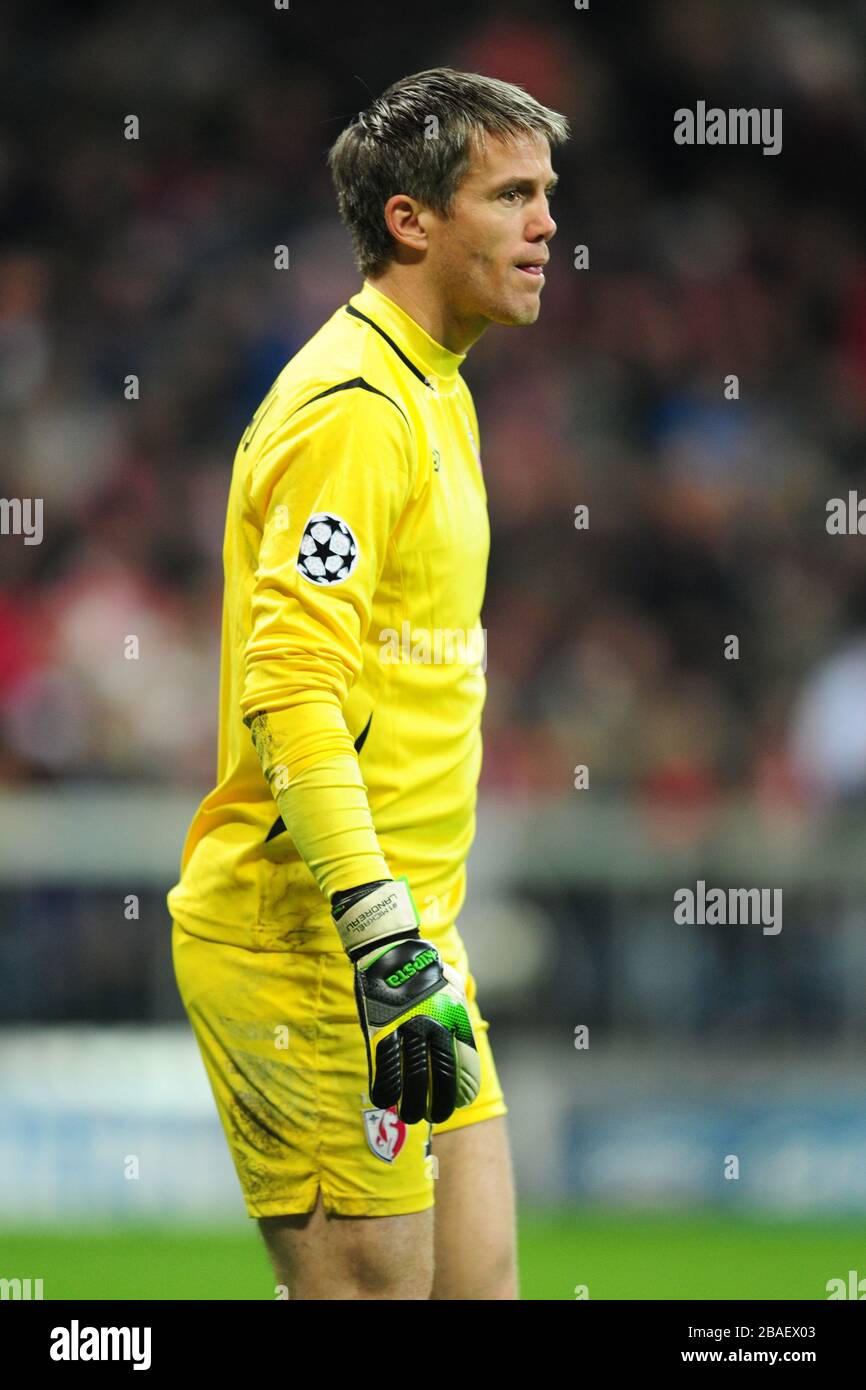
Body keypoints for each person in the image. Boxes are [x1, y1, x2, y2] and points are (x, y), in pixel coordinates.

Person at [168, 65, 567, 1300]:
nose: (547, 223)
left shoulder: (435, 388)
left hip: (413, 957)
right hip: (319, 948)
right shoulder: (348, 406)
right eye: (509, 196)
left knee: (477, 1289)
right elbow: (286, 690)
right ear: (410, 220)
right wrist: (375, 931)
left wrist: (410, 947)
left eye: (545, 193)